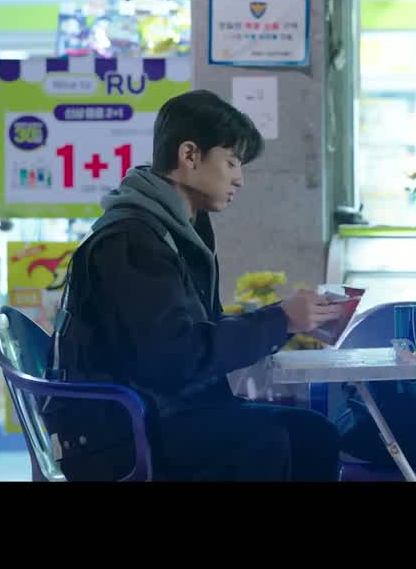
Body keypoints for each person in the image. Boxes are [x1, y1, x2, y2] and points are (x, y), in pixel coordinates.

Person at [42, 89, 344, 481]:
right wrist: (280, 320)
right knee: (267, 442)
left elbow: (198, 335)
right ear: (189, 155)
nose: (239, 178)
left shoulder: (175, 232)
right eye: (231, 161)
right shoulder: (132, 240)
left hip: (162, 411)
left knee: (313, 435)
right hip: (118, 432)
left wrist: (288, 319)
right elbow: (176, 357)